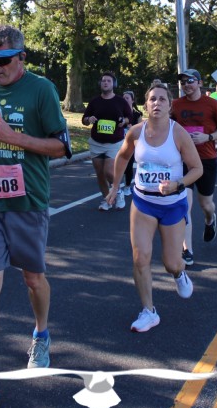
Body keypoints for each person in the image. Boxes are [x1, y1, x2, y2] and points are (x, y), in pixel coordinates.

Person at [0, 24, 72, 404]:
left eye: (4, 60)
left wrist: (14, 137)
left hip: (28, 202)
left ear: (21, 57)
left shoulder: (42, 90)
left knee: (33, 279)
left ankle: (41, 334)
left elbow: (61, 147)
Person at [107, 81, 202, 332]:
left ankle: (179, 273)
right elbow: (123, 156)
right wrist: (115, 186)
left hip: (172, 204)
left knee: (171, 262)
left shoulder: (178, 133)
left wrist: (177, 184)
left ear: (170, 106)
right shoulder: (136, 132)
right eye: (152, 99)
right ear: (146, 105)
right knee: (140, 258)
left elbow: (197, 169)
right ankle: (148, 311)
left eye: (162, 99)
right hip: (143, 202)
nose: (157, 103)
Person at [171, 69, 217, 267]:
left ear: (199, 82)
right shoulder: (176, 105)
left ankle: (210, 219)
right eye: (183, 82)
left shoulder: (212, 104)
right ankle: (187, 250)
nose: (186, 85)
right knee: (184, 205)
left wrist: (208, 137)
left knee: (206, 204)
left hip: (206, 159)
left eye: (190, 81)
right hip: (183, 161)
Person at [82, 72, 132, 211]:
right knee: (100, 174)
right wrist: (89, 119)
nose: (105, 83)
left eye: (108, 81)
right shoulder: (95, 101)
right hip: (96, 142)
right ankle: (107, 200)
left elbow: (129, 117)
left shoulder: (120, 101)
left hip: (114, 143)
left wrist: (124, 121)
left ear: (113, 84)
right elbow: (84, 119)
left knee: (108, 171)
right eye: (103, 80)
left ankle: (118, 192)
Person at [120, 90, 143, 196]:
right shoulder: (119, 113)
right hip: (118, 142)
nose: (124, 100)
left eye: (127, 98)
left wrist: (132, 128)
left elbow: (141, 129)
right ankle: (115, 185)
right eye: (123, 98)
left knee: (128, 164)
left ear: (132, 100)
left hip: (131, 143)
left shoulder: (137, 114)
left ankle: (127, 186)